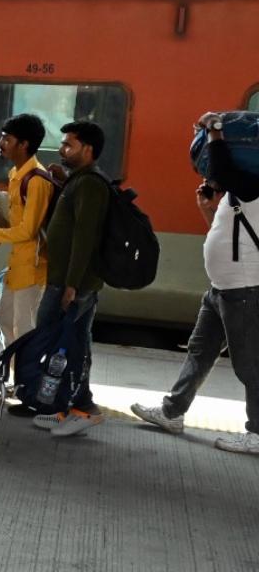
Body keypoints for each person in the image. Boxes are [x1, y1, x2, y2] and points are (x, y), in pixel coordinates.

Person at [131, 112, 259, 454]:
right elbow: (229, 235)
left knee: (250, 364)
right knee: (199, 353)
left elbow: (222, 170)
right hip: (221, 289)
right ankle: (173, 412)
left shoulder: (253, 187)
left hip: (244, 291)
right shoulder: (238, 195)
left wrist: (216, 131)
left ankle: (257, 433)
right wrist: (207, 209)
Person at [31, 120, 109, 437]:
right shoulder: (80, 181)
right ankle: (70, 406)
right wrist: (62, 182)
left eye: (68, 145)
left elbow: (85, 237)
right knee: (74, 343)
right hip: (68, 281)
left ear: (87, 150)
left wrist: (72, 285)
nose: (62, 149)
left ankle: (79, 409)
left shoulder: (90, 184)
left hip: (71, 284)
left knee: (62, 343)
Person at [0, 114, 51, 348]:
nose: (0, 143)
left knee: (24, 332)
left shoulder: (36, 181)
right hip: (16, 267)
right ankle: (14, 382)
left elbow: (26, 231)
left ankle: (25, 383)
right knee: (7, 328)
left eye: (6, 139)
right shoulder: (17, 175)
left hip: (33, 272)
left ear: (23, 144)